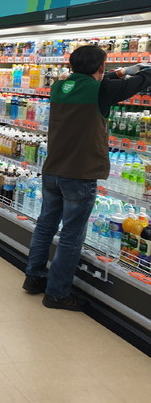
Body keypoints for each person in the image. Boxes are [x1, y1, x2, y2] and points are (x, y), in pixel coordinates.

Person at [23, 46, 151, 311]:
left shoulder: (59, 87)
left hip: (52, 170)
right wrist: (141, 71)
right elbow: (141, 81)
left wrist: (120, 72)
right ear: (100, 67)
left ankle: (33, 278)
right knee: (71, 235)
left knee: (45, 226)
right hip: (79, 175)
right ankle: (57, 293)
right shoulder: (102, 90)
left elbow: (94, 82)